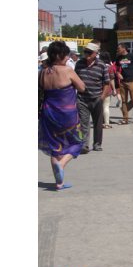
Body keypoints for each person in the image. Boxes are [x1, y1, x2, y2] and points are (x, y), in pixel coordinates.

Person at [39, 41, 86, 190]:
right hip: (67, 113)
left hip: (48, 113)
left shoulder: (42, 72)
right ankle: (62, 164)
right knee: (78, 142)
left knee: (55, 146)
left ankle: (59, 183)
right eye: (65, 55)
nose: (67, 58)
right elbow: (82, 88)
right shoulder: (67, 70)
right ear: (59, 55)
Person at [74, 43, 110, 153]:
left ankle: (97, 144)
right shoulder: (79, 64)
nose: (87, 54)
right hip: (82, 99)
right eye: (85, 52)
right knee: (84, 123)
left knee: (98, 123)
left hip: (97, 98)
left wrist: (102, 97)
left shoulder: (102, 65)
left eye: (89, 52)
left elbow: (106, 83)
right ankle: (84, 145)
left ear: (95, 54)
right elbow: (75, 79)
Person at [115, 44, 133, 124]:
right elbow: (116, 69)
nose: (117, 50)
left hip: (131, 81)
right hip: (123, 82)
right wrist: (118, 74)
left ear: (124, 48)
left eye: (119, 48)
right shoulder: (118, 57)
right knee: (124, 101)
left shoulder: (131, 56)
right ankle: (125, 118)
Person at [100, 51, 116, 129]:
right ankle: (106, 123)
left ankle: (100, 122)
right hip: (107, 89)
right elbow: (111, 79)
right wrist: (114, 89)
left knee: (99, 107)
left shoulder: (98, 66)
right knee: (106, 106)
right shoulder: (109, 67)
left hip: (98, 89)